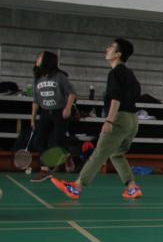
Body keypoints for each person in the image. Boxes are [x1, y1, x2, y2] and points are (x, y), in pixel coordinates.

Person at [52, 38, 143, 201]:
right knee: (116, 154)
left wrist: (109, 121)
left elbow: (116, 99)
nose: (107, 49)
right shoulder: (130, 74)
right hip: (132, 120)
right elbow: (136, 93)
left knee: (99, 153)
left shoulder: (115, 73)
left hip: (119, 118)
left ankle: (76, 187)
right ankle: (132, 188)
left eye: (111, 47)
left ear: (118, 54)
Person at [29, 51, 77, 182]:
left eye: (40, 56)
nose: (37, 58)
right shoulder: (37, 78)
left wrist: (67, 108)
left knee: (57, 141)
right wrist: (32, 118)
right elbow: (35, 101)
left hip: (59, 112)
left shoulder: (59, 76)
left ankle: (66, 155)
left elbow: (72, 93)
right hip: (45, 112)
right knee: (39, 141)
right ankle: (45, 170)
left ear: (47, 60)